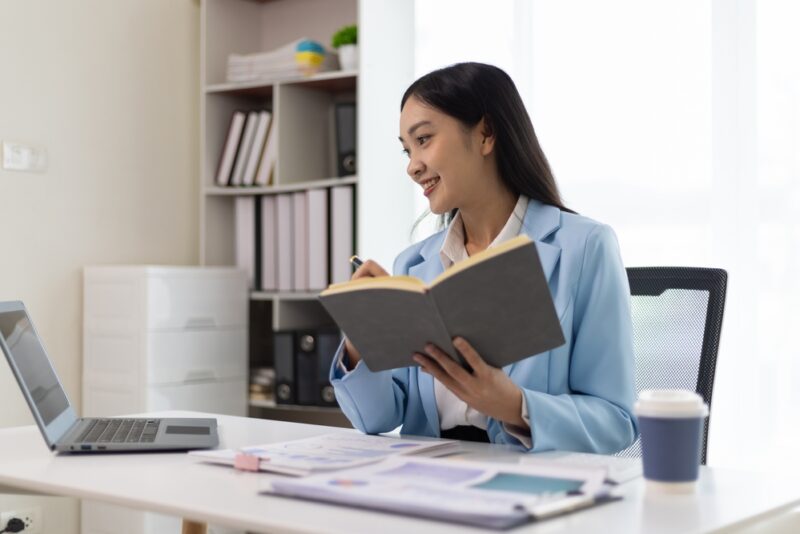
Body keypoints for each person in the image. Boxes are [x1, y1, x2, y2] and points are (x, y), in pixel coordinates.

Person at [329, 62, 638, 453]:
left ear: (486, 134)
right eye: (407, 150)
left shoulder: (586, 247)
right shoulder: (414, 264)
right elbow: (378, 418)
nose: (412, 165)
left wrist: (514, 406)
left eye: (424, 139)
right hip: (428, 482)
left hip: (531, 489)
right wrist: (361, 342)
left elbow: (617, 421)